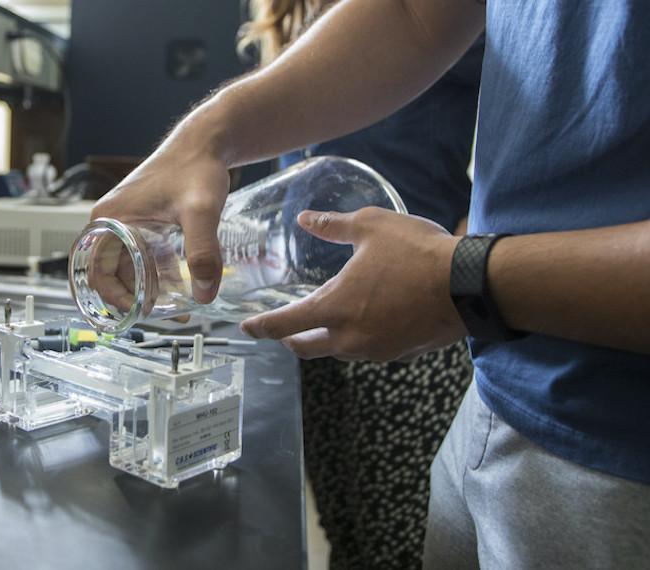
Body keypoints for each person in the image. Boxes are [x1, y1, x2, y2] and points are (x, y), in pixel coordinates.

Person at [94, 1, 650, 567]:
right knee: (354, 538)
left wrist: (464, 275)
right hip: (494, 389)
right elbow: (413, 14)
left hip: (613, 447)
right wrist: (205, 136)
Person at [237, 3, 482, 567]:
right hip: (316, 311)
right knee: (341, 522)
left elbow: (518, 122)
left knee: (397, 540)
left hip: (412, 313)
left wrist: (466, 258)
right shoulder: (290, 18)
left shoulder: (424, 18)